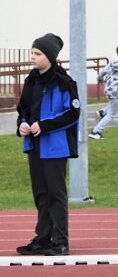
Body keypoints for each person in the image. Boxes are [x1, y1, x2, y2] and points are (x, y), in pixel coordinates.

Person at [15, 34, 80, 256]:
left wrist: (45, 125)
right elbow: (23, 109)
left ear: (50, 57)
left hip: (55, 146)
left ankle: (60, 241)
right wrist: (22, 124)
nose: (32, 57)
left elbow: (73, 112)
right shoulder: (31, 80)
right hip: (34, 145)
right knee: (41, 193)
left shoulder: (64, 82)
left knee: (56, 194)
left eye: (38, 54)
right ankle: (43, 238)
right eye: (32, 53)